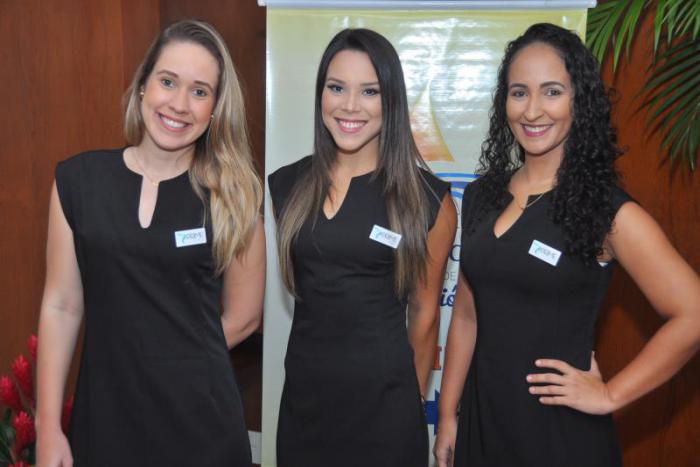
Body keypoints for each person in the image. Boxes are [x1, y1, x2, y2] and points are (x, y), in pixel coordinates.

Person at [434, 22, 700, 467]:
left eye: (552, 92)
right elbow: (466, 312)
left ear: (580, 100)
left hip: (559, 432)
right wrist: (447, 415)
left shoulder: (605, 211)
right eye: (519, 93)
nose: (532, 110)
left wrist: (611, 394)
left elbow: (692, 315)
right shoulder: (482, 195)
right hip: (485, 421)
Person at [35, 19, 265, 466]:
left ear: (215, 108)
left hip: (199, 423)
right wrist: (48, 427)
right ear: (143, 85)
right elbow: (61, 306)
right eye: (168, 81)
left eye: (200, 91)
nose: (179, 104)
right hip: (105, 417)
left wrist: (167, 362)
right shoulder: (77, 182)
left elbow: (244, 318)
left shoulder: (234, 196)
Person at [268, 28, 457, 467]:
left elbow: (425, 315)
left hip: (386, 410)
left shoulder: (428, 200)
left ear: (391, 101)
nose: (350, 105)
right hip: (304, 405)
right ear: (321, 94)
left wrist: (408, 401)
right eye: (337, 88)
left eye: (369, 91)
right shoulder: (286, 186)